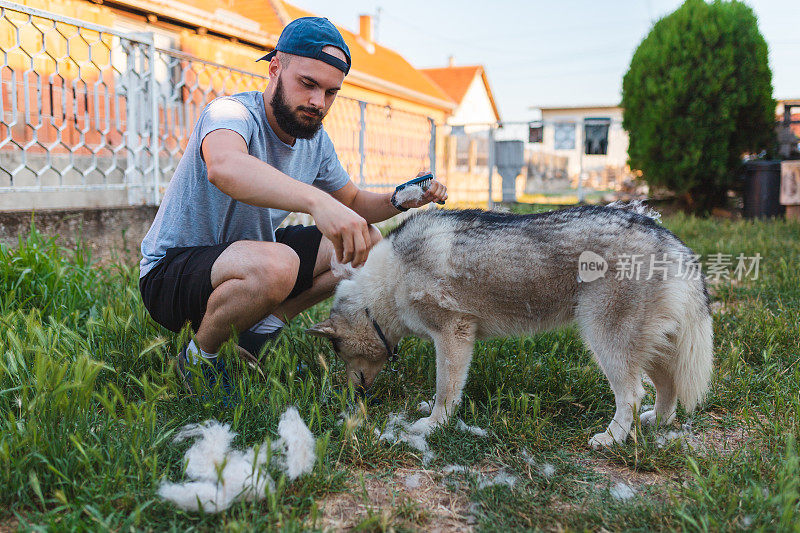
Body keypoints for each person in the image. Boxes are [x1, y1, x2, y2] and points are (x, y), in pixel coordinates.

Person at [137, 17, 447, 397]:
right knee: (280, 264)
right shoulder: (230, 114)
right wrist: (316, 201)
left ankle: (258, 333)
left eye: (331, 92)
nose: (319, 102)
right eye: (308, 84)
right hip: (172, 275)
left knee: (364, 242)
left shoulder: (315, 142)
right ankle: (199, 361)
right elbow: (224, 167)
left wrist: (403, 198)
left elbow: (354, 203)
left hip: (247, 262)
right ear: (275, 69)